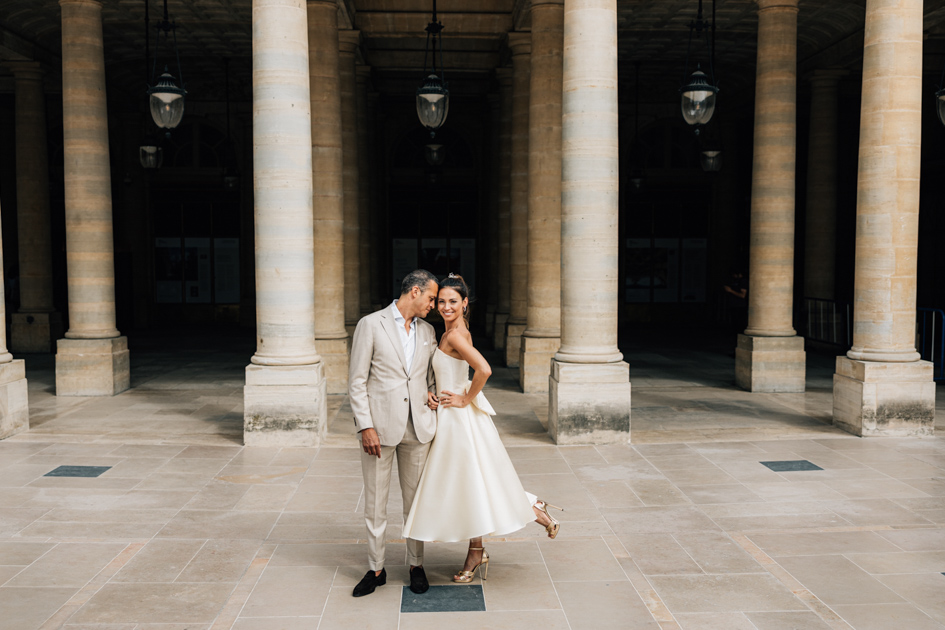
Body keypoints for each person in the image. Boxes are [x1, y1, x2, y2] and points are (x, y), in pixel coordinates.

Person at [403, 273, 563, 583]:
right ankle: (529, 510)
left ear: (464, 303)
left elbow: (484, 369)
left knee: (469, 483)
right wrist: (435, 391)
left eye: (453, 301)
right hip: (452, 416)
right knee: (474, 482)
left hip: (458, 421)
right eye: (441, 301)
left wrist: (464, 398)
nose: (445, 307)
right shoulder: (456, 330)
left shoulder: (454, 336)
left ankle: (483, 546)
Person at [348, 269, 440, 597]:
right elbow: (357, 380)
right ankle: (376, 568)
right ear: (414, 292)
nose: (434, 304)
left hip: (418, 428)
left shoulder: (428, 331)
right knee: (375, 503)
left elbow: (429, 376)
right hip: (380, 430)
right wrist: (365, 425)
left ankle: (416, 564)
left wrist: (431, 393)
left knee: (415, 503)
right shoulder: (370, 325)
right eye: (431, 297)